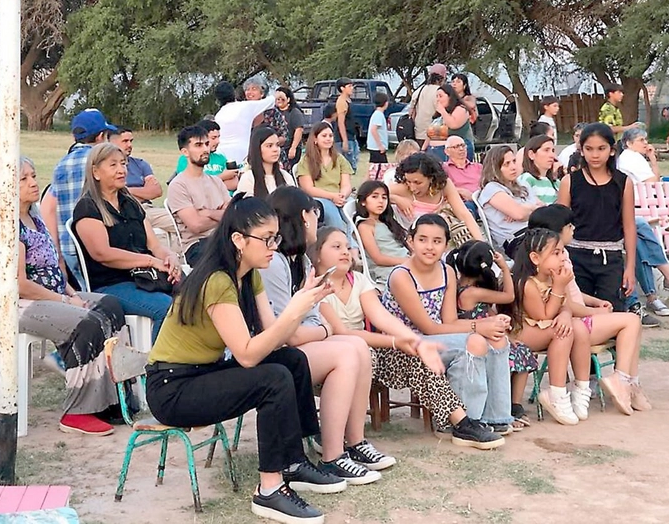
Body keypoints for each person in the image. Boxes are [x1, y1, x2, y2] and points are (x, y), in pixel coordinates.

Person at [146, 194, 344, 524]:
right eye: (266, 239)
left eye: (276, 237)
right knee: (273, 378)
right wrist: (294, 311)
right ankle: (269, 489)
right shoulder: (217, 280)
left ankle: (294, 462)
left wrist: (302, 303)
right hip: (172, 389)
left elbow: (275, 336)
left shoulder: (248, 274)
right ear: (238, 239)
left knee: (291, 360)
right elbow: (248, 355)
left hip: (201, 374)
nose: (273, 246)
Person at [312, 227, 504, 449]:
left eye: (347, 246)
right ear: (317, 254)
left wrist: (414, 343)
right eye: (336, 247)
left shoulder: (359, 280)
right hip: (337, 356)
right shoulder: (315, 288)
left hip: (373, 351)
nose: (345, 252)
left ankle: (462, 423)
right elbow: (343, 333)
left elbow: (382, 317)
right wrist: (397, 342)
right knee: (374, 352)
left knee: (415, 355)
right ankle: (461, 422)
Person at [0, 160, 127, 436]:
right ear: (5, 187)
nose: (34, 183)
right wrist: (66, 302)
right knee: (86, 322)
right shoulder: (4, 224)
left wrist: (72, 294)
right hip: (7, 305)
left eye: (33, 175)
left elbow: (54, 269)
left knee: (110, 305)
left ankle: (110, 397)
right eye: (23, 179)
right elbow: (17, 284)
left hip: (48, 295)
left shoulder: (34, 218)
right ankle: (77, 412)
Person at [262, 186, 392, 483]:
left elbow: (306, 321)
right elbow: (288, 334)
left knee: (358, 346)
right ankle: (333, 456)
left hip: (296, 345)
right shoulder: (274, 263)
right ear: (302, 217)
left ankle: (355, 442)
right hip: (270, 352)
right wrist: (325, 330)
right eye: (313, 213)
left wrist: (322, 330)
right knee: (345, 353)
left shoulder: (301, 261)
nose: (316, 220)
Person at [381, 214, 515, 432]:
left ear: (445, 245)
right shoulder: (402, 276)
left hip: (437, 338)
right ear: (410, 241)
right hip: (404, 346)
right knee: (475, 341)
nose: (429, 247)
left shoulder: (447, 271)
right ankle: (465, 422)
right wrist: (478, 327)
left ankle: (496, 417)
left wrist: (490, 322)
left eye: (437, 241)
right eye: (422, 239)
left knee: (497, 338)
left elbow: (449, 321)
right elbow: (427, 327)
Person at [521, 205, 649, 416]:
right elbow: (564, 304)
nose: (574, 229)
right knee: (631, 321)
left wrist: (595, 302)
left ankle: (630, 384)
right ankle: (622, 379)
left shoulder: (559, 259)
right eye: (569, 226)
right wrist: (594, 312)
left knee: (632, 323)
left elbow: (572, 295)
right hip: (573, 322)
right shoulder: (550, 269)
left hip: (574, 317)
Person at [72, 142, 179, 342]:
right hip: (111, 284)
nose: (121, 170)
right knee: (167, 307)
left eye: (123, 164)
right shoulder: (88, 207)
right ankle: (158, 361)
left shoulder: (130, 203)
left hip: (144, 277)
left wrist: (169, 257)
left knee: (196, 295)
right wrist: (150, 261)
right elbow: (102, 253)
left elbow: (154, 245)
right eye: (113, 165)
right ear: (95, 172)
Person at [448, 240, 537, 429]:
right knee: (520, 352)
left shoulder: (459, 286)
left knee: (517, 347)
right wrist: (504, 268)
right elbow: (509, 296)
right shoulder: (473, 292)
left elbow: (485, 312)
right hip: (479, 338)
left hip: (482, 334)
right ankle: (513, 405)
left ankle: (509, 405)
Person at [508, 228, 592, 425]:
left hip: (543, 327)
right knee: (563, 332)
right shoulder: (527, 284)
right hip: (522, 331)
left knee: (578, 327)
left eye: (562, 252)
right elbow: (543, 315)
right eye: (556, 253)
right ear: (535, 258)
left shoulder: (554, 277)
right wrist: (559, 288)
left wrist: (565, 315)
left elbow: (565, 306)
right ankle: (556, 392)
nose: (562, 257)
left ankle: (581, 388)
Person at [555, 123, 637, 314]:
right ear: (581, 150)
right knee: (578, 314)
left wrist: (630, 267)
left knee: (613, 313)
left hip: (611, 257)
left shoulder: (623, 182)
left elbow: (629, 226)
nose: (595, 155)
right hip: (575, 256)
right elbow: (559, 224)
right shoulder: (570, 181)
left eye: (601, 148)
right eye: (589, 149)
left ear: (611, 150)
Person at [617, 127, 669, 317]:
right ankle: (667, 281)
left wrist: (652, 159)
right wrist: (651, 160)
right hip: (637, 211)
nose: (646, 143)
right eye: (641, 140)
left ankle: (653, 296)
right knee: (640, 226)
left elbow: (655, 179)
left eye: (645, 139)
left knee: (638, 241)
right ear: (628, 144)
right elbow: (653, 180)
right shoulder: (630, 158)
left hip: (640, 213)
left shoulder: (635, 158)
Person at [41, 108, 116, 288]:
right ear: (100, 136)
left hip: (70, 247)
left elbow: (47, 208)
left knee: (86, 289)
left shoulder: (61, 164)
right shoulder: (103, 163)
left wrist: (57, 255)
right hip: (101, 246)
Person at [387, 152, 484, 247]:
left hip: (435, 240)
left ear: (431, 178)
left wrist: (481, 243)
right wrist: (396, 199)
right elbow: (378, 191)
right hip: (408, 242)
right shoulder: (403, 188)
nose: (412, 188)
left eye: (418, 183)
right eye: (408, 181)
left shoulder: (443, 186)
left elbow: (464, 214)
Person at [167, 125, 231, 265]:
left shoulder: (216, 181)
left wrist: (207, 213)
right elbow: (196, 225)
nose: (205, 149)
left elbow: (232, 214)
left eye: (207, 144)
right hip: (196, 245)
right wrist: (222, 216)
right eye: (198, 145)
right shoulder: (178, 185)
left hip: (223, 237)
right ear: (185, 152)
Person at [109, 127, 178, 242]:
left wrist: (125, 190)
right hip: (124, 211)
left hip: (147, 209)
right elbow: (112, 194)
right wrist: (143, 191)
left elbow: (156, 191)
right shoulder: (108, 168)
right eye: (125, 141)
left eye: (131, 141)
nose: (130, 145)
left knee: (182, 222)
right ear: (112, 143)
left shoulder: (140, 164)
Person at [478, 145, 542, 253]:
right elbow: (519, 214)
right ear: (495, 168)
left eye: (514, 161)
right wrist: (529, 208)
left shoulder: (522, 184)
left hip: (535, 231)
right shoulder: (491, 188)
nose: (513, 167)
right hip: (517, 239)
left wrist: (524, 208)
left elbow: (542, 208)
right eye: (506, 164)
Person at [296, 122, 353, 235]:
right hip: (320, 198)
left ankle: (353, 243)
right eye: (324, 136)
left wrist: (342, 195)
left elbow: (346, 184)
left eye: (330, 136)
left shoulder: (339, 159)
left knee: (355, 211)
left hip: (339, 196)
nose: (328, 139)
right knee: (335, 219)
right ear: (315, 139)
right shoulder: (306, 161)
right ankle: (339, 239)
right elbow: (308, 189)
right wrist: (332, 196)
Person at [353, 180, 409, 285]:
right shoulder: (365, 226)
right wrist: (406, 261)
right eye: (374, 197)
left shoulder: (388, 222)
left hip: (405, 262)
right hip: (389, 269)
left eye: (384, 197)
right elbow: (378, 259)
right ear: (363, 201)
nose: (380, 201)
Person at [214, 81, 275, 164]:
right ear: (233, 93)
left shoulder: (218, 115)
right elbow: (271, 101)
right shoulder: (245, 106)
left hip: (222, 154)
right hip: (243, 153)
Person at [173, 119, 239, 191]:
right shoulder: (187, 159)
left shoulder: (221, 158)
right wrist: (222, 177)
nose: (218, 141)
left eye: (218, 137)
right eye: (213, 138)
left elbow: (232, 184)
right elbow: (191, 185)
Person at [236, 127, 296, 198]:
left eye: (277, 145)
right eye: (269, 146)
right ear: (258, 149)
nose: (275, 149)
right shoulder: (248, 178)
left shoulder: (286, 177)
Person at [424, 84, 474, 162]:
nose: (438, 99)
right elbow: (430, 135)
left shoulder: (460, 109)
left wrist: (442, 111)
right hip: (433, 152)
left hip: (452, 153)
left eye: (440, 96)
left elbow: (453, 125)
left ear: (450, 97)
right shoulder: (439, 116)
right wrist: (423, 149)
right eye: (436, 97)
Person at [409, 64, 447, 143]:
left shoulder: (420, 90)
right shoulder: (441, 92)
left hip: (418, 133)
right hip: (435, 134)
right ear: (442, 78)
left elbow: (411, 111)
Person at [518, 135, 559, 205]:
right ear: (531, 154)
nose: (552, 155)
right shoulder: (526, 178)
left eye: (553, 151)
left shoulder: (557, 183)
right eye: (546, 150)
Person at [442, 135, 482, 203]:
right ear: (447, 151)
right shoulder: (444, 168)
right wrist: (460, 191)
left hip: (482, 199)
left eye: (463, 145)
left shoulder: (478, 167)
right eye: (456, 147)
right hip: (461, 202)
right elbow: (440, 188)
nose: (461, 149)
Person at [334, 77, 359, 172]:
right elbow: (341, 122)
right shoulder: (341, 102)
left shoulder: (348, 100)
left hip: (351, 136)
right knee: (347, 166)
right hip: (344, 138)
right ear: (342, 88)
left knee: (353, 162)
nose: (352, 88)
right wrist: (344, 140)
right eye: (349, 86)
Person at [276, 86, 305, 168]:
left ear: (288, 99)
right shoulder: (274, 112)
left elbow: (299, 130)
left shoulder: (294, 112)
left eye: (282, 99)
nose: (279, 101)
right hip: (277, 148)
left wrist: (293, 148)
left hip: (289, 148)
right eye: (277, 99)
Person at [366, 92, 391, 182]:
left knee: (372, 168)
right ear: (385, 103)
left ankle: (365, 184)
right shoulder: (378, 115)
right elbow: (374, 129)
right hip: (377, 148)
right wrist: (380, 145)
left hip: (375, 147)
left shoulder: (377, 114)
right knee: (383, 168)